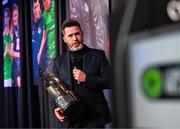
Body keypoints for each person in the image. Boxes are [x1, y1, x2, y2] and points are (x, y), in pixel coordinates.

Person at [53, 19, 111, 128]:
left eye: (77, 34)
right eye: (70, 36)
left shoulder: (98, 56)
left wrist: (87, 79)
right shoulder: (58, 61)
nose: (75, 38)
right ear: (64, 39)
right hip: (70, 119)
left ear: (82, 34)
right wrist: (57, 109)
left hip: (94, 118)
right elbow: (56, 91)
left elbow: (109, 81)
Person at [32, 0, 47, 85]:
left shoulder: (44, 21)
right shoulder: (31, 25)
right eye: (35, 7)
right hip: (35, 69)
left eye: (38, 6)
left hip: (44, 65)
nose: (37, 9)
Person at [37, 0, 55, 73]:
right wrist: (40, 52)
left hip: (61, 48)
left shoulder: (56, 6)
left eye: (46, 0)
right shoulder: (44, 14)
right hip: (51, 52)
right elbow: (44, 37)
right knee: (50, 76)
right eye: (43, 2)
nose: (45, 3)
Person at [10, 4, 21, 87]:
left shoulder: (21, 28)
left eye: (16, 15)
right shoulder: (13, 31)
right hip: (17, 65)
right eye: (13, 16)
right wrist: (20, 55)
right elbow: (11, 52)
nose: (15, 18)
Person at [3, 8, 12, 87]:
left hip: (12, 74)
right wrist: (6, 52)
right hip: (5, 75)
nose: (6, 18)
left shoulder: (12, 35)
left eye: (7, 16)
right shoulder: (3, 36)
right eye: (5, 16)